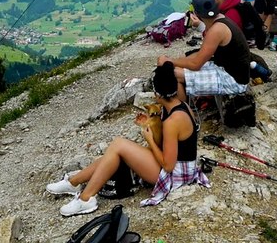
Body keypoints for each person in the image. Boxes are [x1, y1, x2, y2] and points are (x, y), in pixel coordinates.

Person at [46, 62, 209, 215]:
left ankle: (86, 198)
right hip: (180, 166)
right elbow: (172, 144)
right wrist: (149, 124)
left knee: (118, 145)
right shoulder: (180, 106)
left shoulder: (173, 121)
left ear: (158, 94)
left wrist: (149, 139)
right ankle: (74, 182)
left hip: (177, 174)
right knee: (114, 153)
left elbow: (168, 165)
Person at [158, 0, 251, 98]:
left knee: (172, 74)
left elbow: (195, 64)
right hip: (230, 71)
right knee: (180, 64)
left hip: (233, 81)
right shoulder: (221, 19)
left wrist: (169, 61)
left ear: (195, 13)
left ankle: (181, 107)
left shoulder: (216, 30)